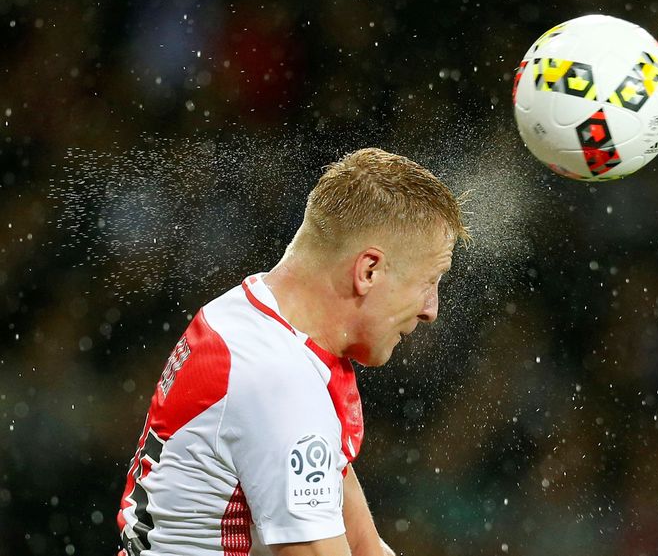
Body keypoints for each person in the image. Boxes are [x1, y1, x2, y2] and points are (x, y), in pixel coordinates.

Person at [117, 148, 470, 556]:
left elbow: (364, 546)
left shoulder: (254, 315)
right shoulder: (281, 385)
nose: (431, 309)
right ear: (369, 270)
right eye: (429, 281)